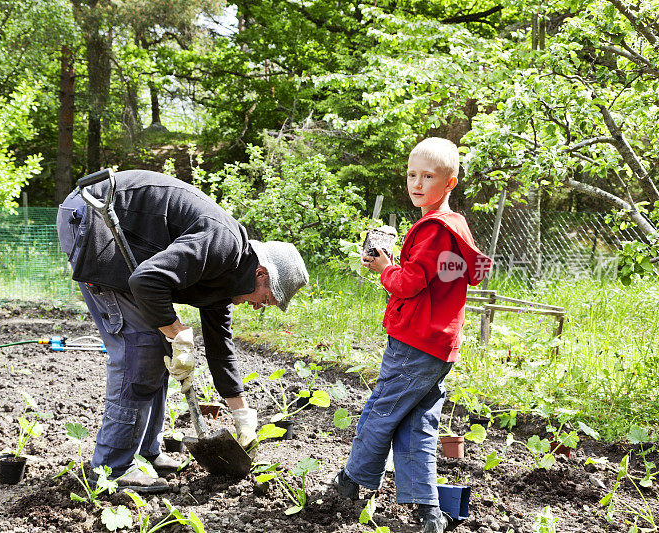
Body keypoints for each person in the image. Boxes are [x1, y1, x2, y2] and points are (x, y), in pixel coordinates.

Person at [56, 169, 309, 493]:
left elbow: (221, 350)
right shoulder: (223, 245)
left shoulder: (228, 280)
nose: (260, 307)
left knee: (160, 349)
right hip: (95, 217)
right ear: (261, 274)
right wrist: (178, 332)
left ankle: (147, 452)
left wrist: (242, 414)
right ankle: (113, 469)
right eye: (268, 299)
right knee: (142, 349)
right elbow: (146, 281)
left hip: (121, 233)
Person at [332, 138, 491, 533]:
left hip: (414, 342)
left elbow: (409, 284)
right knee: (417, 424)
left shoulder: (433, 229)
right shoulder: (455, 228)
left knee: (379, 412)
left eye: (428, 176)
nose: (417, 183)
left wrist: (385, 268)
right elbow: (446, 278)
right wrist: (401, 264)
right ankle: (428, 511)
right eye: (411, 175)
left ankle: (351, 482)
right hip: (440, 345)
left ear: (450, 183)